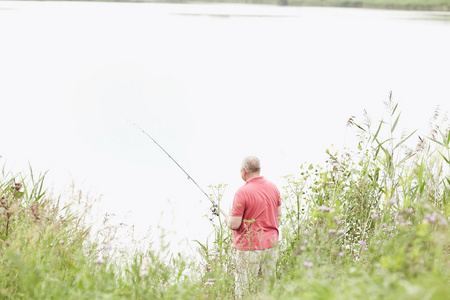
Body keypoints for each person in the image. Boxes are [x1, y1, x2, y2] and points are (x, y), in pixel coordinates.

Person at [226, 156, 282, 298]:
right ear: (258, 169)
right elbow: (278, 217)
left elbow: (234, 224)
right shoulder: (273, 187)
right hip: (271, 245)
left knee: (244, 290)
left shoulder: (242, 192)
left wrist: (227, 219)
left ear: (243, 171)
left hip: (249, 248)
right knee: (268, 290)